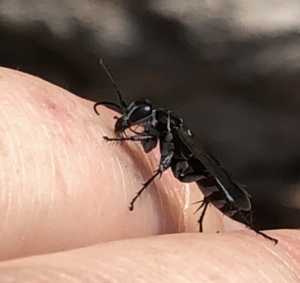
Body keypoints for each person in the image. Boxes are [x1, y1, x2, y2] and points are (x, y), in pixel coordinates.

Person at [0, 67, 298, 282]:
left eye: (137, 119)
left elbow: (164, 164)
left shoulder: (171, 132)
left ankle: (242, 226)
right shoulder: (161, 127)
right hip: (212, 188)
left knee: (205, 180)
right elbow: (154, 150)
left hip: (225, 192)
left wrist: (127, 157)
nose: (133, 121)